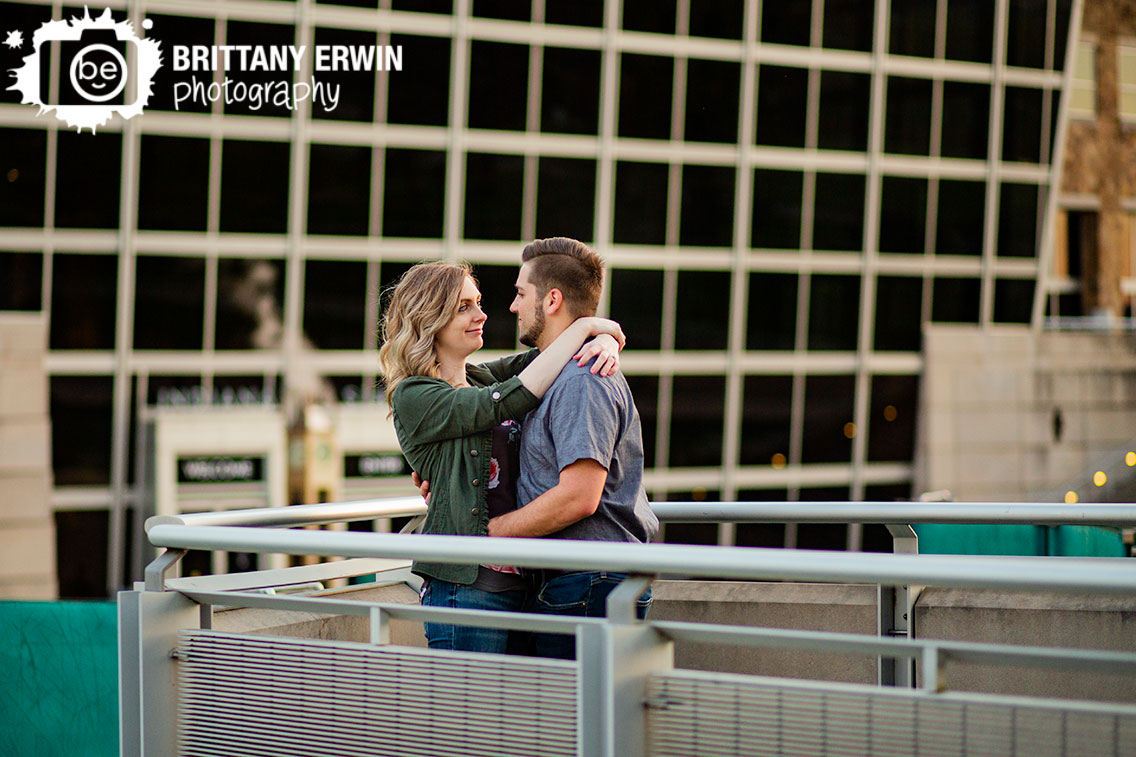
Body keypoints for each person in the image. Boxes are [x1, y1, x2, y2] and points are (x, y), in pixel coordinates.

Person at [379, 260, 625, 654]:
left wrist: (604, 339)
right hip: (466, 587)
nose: (482, 314)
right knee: (471, 712)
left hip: (522, 585)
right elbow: (506, 401)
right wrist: (584, 328)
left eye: (478, 302)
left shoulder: (481, 377)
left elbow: (549, 356)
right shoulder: (414, 395)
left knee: (516, 713)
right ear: (430, 319)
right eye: (464, 307)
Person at [488, 237, 659, 660]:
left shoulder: (583, 378)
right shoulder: (557, 369)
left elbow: (580, 496)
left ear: (552, 300)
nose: (513, 307)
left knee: (569, 722)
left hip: (588, 585)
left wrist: (490, 535)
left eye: (520, 294)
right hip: (576, 583)